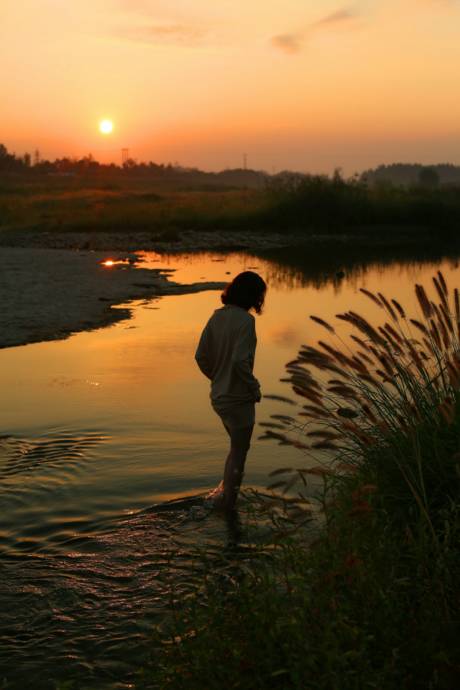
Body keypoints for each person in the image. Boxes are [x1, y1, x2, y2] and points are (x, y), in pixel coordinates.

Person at [195, 271, 267, 512]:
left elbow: (200, 357)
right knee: (239, 453)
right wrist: (254, 387)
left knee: (235, 449)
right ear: (254, 297)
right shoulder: (246, 322)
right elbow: (239, 361)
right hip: (238, 399)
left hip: (219, 398)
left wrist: (218, 379)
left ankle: (225, 498)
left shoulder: (216, 317)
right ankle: (228, 506)